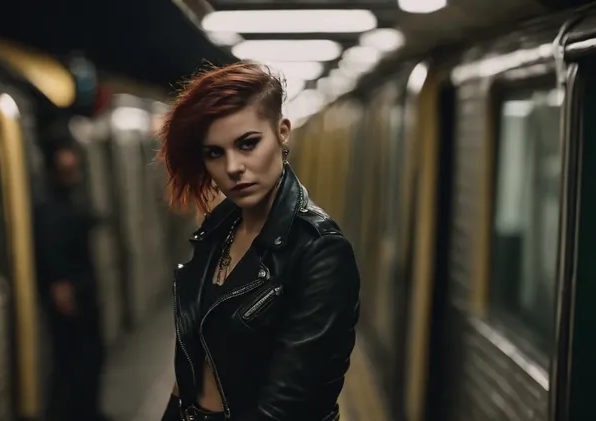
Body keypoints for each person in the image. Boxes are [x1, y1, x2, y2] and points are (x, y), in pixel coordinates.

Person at [156, 62, 361, 421]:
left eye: (248, 144)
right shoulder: (217, 231)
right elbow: (192, 359)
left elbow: (291, 405)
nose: (233, 167)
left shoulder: (320, 250)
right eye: (215, 153)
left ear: (282, 132)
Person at [33, 143, 109, 421]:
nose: (73, 175)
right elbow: (52, 253)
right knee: (74, 360)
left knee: (91, 356)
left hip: (83, 291)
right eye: (66, 170)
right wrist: (61, 288)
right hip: (71, 295)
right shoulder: (49, 210)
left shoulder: (69, 203)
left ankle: (88, 411)